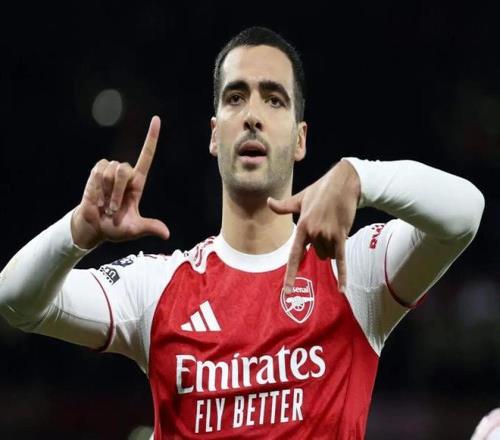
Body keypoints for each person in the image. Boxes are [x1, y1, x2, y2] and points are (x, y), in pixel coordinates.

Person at [0, 26, 485, 439]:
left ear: (299, 139)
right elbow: (15, 300)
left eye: (274, 99)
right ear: (215, 134)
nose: (253, 114)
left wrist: (361, 176)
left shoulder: (351, 269)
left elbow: (465, 214)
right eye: (236, 97)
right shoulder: (157, 288)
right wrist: (79, 230)